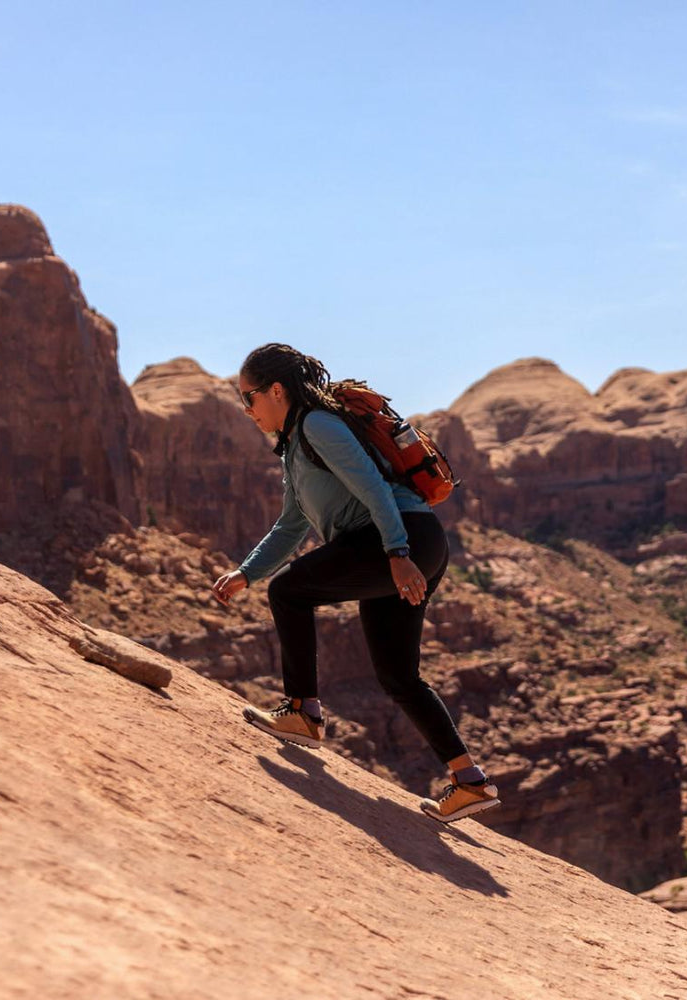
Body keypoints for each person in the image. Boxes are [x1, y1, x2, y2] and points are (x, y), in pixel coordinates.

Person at [212, 343, 499, 823]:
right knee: (397, 675)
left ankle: (303, 712)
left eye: (250, 397)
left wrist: (397, 553)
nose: (247, 410)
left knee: (289, 592)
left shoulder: (317, 425)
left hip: (400, 539)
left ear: (276, 390)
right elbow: (291, 526)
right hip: (405, 543)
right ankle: (470, 781)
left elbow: (373, 487)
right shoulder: (293, 446)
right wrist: (247, 572)